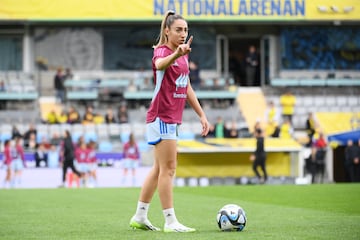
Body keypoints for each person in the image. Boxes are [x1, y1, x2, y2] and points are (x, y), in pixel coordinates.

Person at [129, 10, 210, 233]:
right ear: (167, 31)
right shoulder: (163, 51)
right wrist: (177, 54)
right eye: (178, 30)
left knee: (159, 169)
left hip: (172, 118)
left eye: (185, 30)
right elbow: (160, 64)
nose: (183, 34)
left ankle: (139, 216)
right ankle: (170, 221)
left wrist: (201, 114)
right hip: (161, 115)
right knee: (169, 169)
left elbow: (187, 86)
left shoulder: (183, 53)